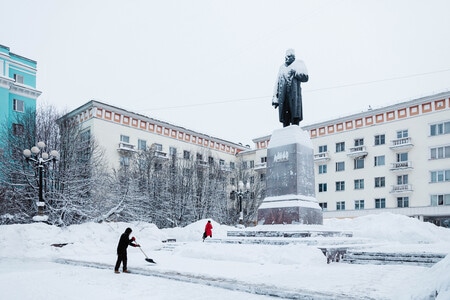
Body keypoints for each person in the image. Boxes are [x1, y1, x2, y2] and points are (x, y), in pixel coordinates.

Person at [272, 49, 309, 127]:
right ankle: (286, 133)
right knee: (285, 119)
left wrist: (295, 72)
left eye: (289, 56)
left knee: (295, 117)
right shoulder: (281, 67)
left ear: (293, 57)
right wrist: (275, 97)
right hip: (284, 97)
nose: (286, 58)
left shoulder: (298, 64)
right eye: (286, 57)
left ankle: (295, 130)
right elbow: (277, 83)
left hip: (294, 96)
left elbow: (306, 77)